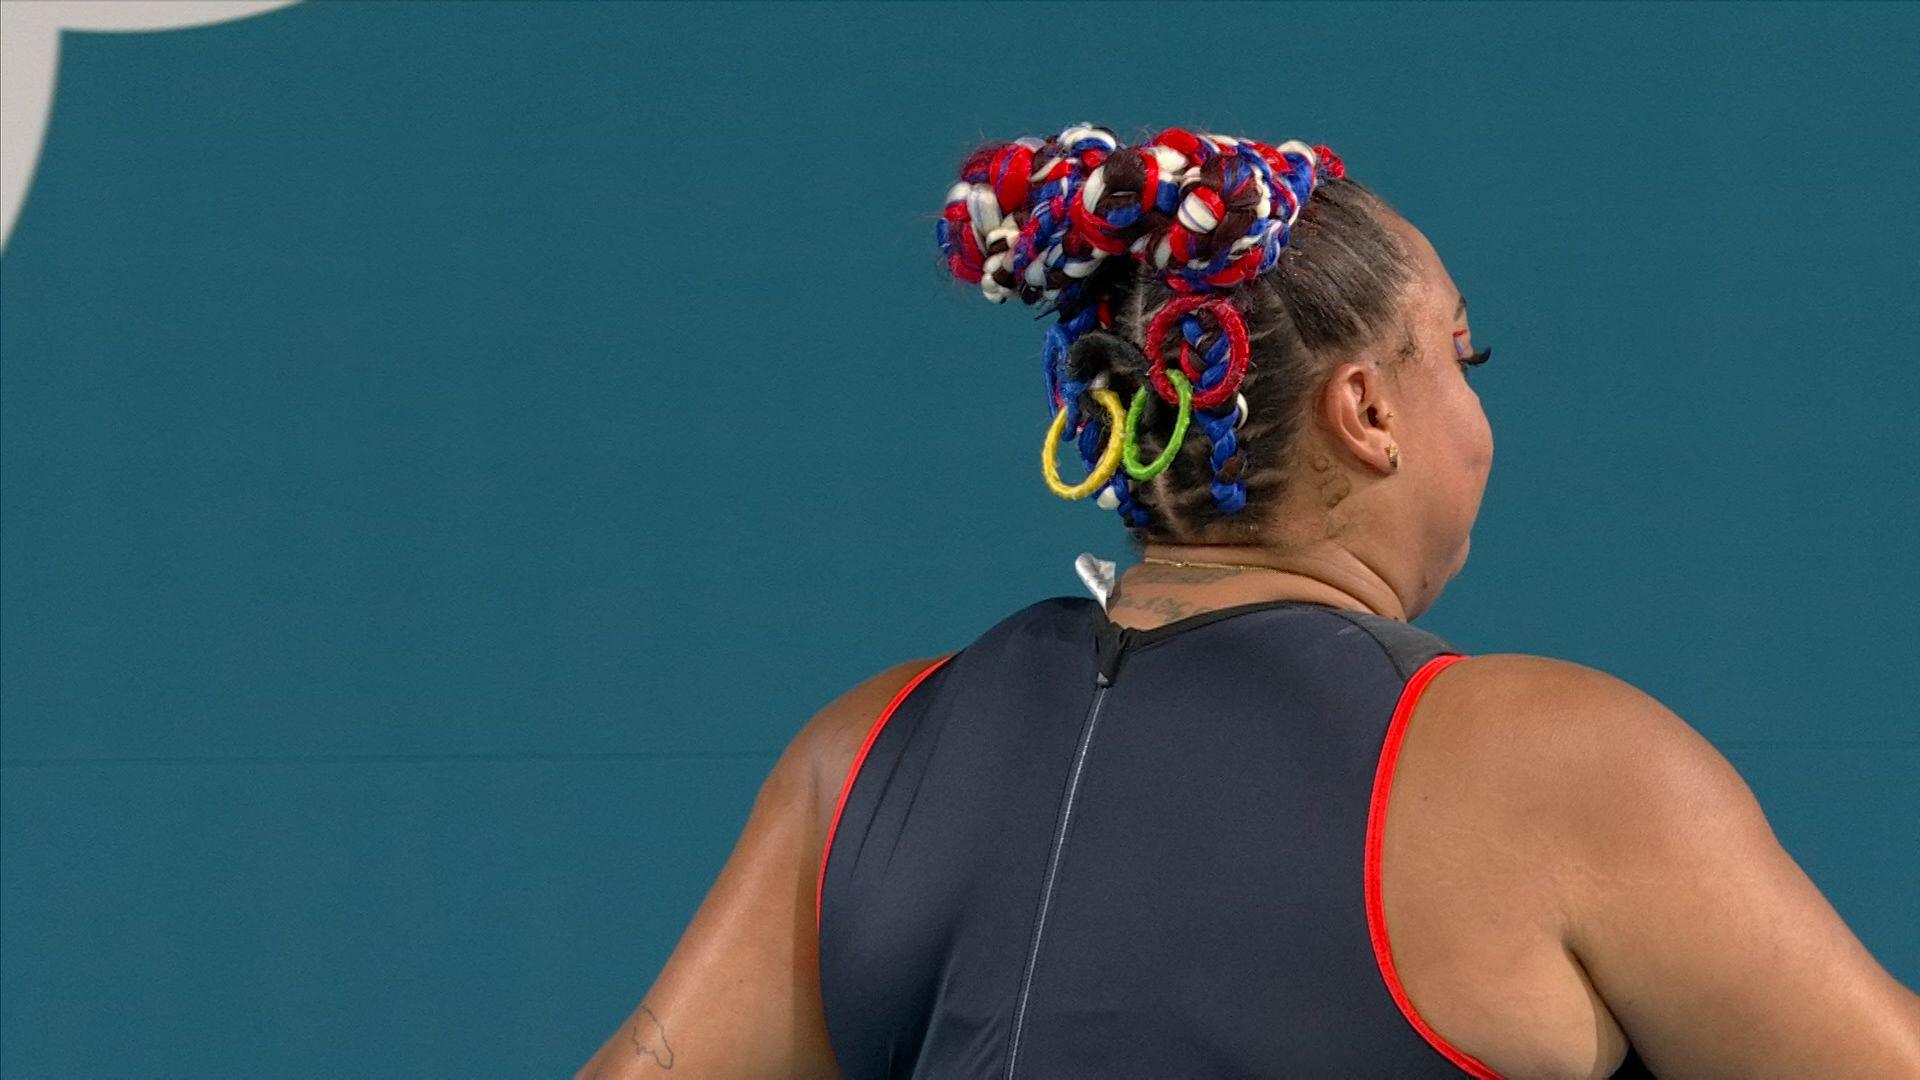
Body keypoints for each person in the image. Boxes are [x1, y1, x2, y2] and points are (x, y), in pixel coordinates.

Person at [577, 125, 1920, 1079]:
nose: (1481, 408)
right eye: (1463, 353)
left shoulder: (866, 756)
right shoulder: (1559, 767)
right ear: (1369, 411)